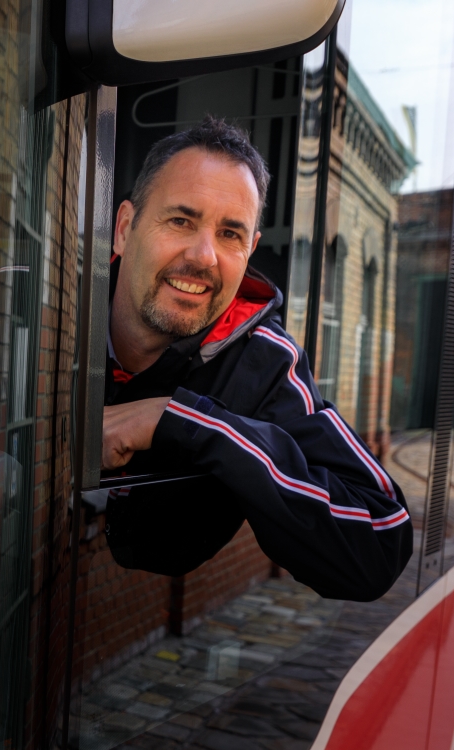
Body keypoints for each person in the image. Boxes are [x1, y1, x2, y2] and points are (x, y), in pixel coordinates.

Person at [98, 117, 411, 601]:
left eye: (230, 234)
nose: (204, 256)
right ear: (123, 228)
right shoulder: (51, 296)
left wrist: (182, 422)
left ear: (250, 251)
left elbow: (382, 540)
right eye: (181, 220)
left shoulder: (263, 363)